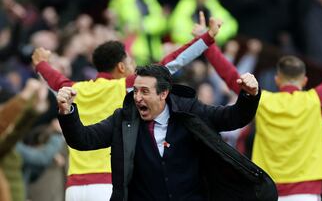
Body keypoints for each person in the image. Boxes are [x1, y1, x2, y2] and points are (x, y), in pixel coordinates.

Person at [31, 18, 222, 201]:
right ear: (121, 67)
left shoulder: (75, 89)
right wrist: (207, 38)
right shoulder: (126, 87)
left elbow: (54, 79)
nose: (134, 67)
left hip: (74, 188)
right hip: (108, 184)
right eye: (130, 62)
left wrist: (41, 63)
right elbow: (171, 62)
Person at [194, 13, 322, 200]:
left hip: (269, 192)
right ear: (304, 80)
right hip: (306, 193)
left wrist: (206, 43)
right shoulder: (316, 99)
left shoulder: (263, 100)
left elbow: (232, 76)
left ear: (277, 79)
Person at [56, 65, 277, 201]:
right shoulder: (123, 119)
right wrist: (68, 113)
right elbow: (83, 140)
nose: (137, 98)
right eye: (136, 91)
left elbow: (232, 118)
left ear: (163, 94)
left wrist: (249, 95)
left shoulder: (190, 111)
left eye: (145, 91)